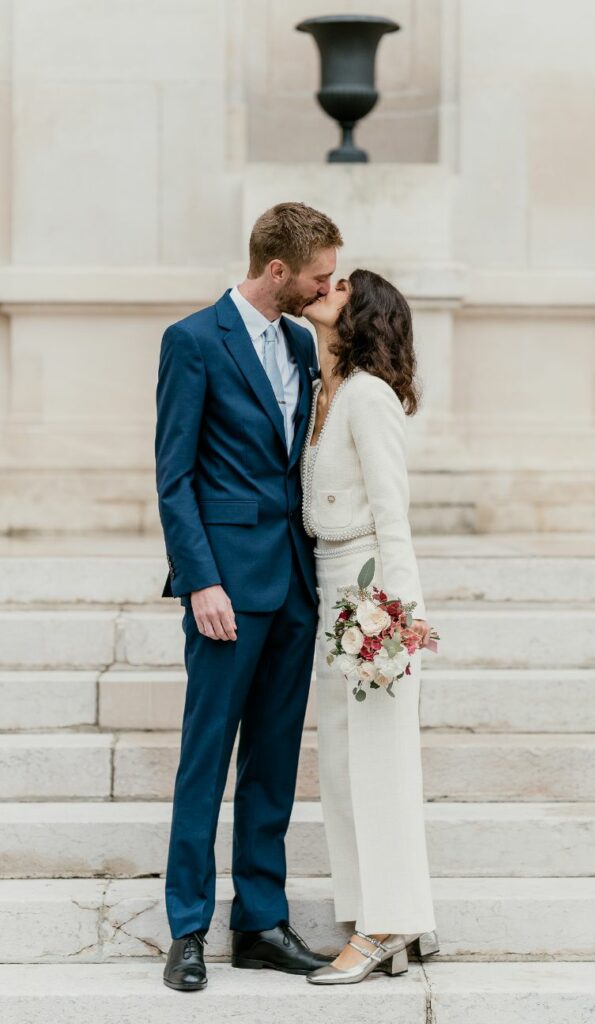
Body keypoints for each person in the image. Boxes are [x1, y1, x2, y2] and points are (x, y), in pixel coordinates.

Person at [155, 202, 342, 991]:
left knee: (272, 761)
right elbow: (175, 476)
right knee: (206, 758)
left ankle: (260, 921)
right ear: (277, 271)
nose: (326, 288)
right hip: (226, 586)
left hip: (293, 581)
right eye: (318, 276)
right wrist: (201, 580)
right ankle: (189, 930)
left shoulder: (302, 342)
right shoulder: (193, 341)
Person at [299, 268, 438, 984]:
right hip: (328, 594)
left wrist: (398, 617)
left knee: (379, 767)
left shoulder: (369, 396)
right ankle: (374, 918)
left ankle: (388, 923)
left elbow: (393, 513)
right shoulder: (327, 392)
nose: (330, 285)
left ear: (365, 313)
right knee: (344, 770)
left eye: (346, 285)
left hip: (368, 596)